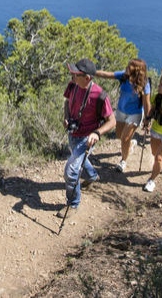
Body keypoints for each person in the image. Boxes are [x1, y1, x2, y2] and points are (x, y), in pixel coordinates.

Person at [58, 58, 116, 219]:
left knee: (71, 171)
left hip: (87, 138)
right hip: (73, 134)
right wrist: (67, 117)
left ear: (87, 78)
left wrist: (97, 133)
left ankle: (73, 204)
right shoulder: (73, 85)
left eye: (76, 74)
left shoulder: (100, 95)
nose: (72, 76)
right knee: (79, 159)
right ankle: (91, 176)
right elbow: (67, 102)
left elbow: (112, 121)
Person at [95, 58, 151, 173]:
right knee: (119, 135)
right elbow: (107, 75)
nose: (127, 67)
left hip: (135, 113)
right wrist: (91, 71)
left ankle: (123, 161)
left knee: (124, 138)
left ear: (136, 70)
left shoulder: (145, 83)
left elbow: (146, 103)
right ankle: (131, 144)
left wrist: (147, 119)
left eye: (130, 66)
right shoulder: (124, 76)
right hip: (121, 111)